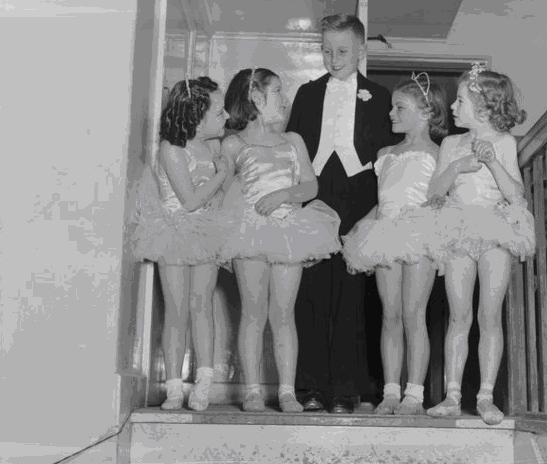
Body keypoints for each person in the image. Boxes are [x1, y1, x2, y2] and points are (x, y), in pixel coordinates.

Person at [286, 13, 398, 414]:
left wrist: (379, 211)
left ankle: (348, 389)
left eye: (343, 51)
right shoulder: (306, 94)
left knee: (353, 295)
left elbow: (388, 159)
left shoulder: (381, 97)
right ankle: (311, 386)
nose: (333, 59)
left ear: (362, 50)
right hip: (315, 196)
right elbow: (292, 153)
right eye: (326, 50)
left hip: (360, 197)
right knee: (311, 293)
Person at [220, 68, 341, 413]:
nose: (285, 99)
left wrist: (285, 194)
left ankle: (287, 391)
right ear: (256, 99)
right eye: (277, 92)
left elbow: (310, 186)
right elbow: (222, 186)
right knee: (253, 312)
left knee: (284, 313)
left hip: (289, 230)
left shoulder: (293, 141)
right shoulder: (234, 143)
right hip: (249, 232)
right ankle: (253, 390)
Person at [425, 63, 535, 425]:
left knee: (489, 316)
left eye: (460, 100)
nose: (453, 108)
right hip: (457, 229)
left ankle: (486, 396)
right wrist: (458, 167)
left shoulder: (504, 142)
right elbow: (435, 192)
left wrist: (493, 163)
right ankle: (452, 395)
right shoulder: (450, 143)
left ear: (484, 106)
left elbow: (516, 195)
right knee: (459, 315)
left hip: (496, 229)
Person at [342, 73, 449, 415]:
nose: (391, 113)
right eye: (391, 107)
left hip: (420, 235)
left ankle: (414, 395)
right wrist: (363, 223)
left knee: (413, 314)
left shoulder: (437, 153)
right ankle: (390, 391)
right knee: (390, 315)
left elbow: (438, 196)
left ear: (427, 112)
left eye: (400, 107)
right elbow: (384, 200)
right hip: (386, 235)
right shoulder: (385, 154)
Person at [130, 76, 232, 411]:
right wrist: (221, 175)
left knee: (202, 307)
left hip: (204, 234)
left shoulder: (212, 147)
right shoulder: (171, 149)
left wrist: (220, 187)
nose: (227, 115)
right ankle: (174, 387)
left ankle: (203, 384)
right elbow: (188, 200)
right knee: (176, 312)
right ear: (196, 115)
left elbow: (214, 201)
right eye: (219, 109)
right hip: (173, 232)